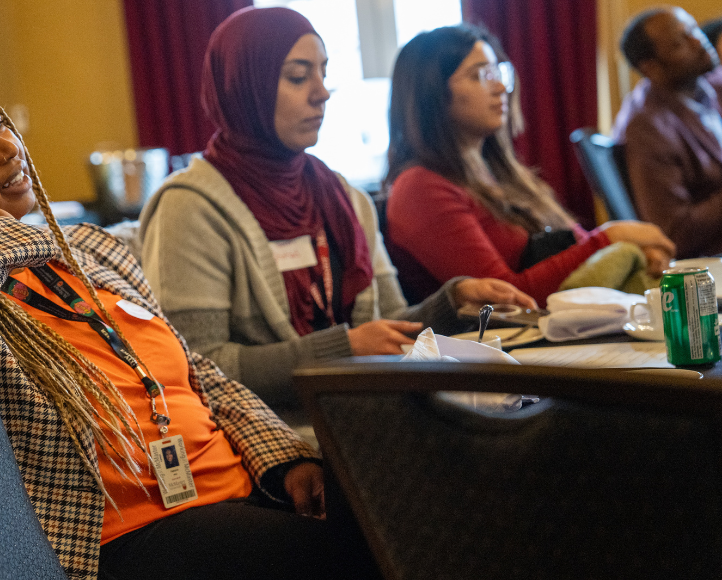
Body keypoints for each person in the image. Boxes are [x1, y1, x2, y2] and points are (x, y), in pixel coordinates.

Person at [0, 61, 378, 580]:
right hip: (111, 541)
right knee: (363, 554)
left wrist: (285, 459)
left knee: (399, 498)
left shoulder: (89, 252)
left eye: (0, 125)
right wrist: (8, 234)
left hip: (233, 491)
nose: (9, 149)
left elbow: (198, 373)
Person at [138, 7, 535, 408]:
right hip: (275, 438)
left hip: (364, 415)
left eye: (323, 74)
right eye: (298, 76)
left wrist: (453, 301)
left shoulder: (343, 197)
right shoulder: (190, 209)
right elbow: (194, 368)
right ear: (246, 86)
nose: (321, 92)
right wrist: (342, 349)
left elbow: (391, 322)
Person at [384, 25, 675, 307]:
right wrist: (610, 238)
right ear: (431, 94)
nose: (500, 87)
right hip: (490, 349)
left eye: (499, 72)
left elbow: (577, 247)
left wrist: (631, 252)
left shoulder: (501, 171)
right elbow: (507, 299)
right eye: (481, 75)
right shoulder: (419, 188)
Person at [610, 7, 722, 259]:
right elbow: (673, 231)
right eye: (679, 42)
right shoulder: (647, 128)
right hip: (707, 266)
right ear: (650, 67)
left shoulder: (705, 87)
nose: (699, 41)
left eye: (693, 29)